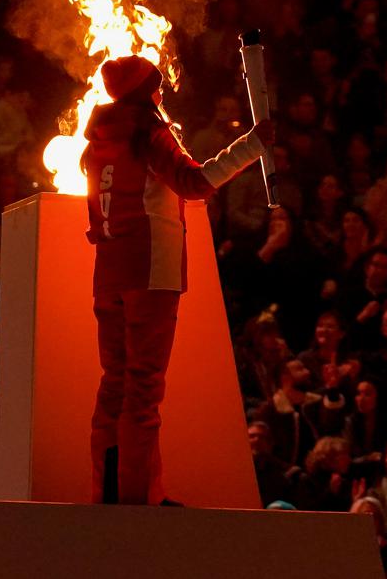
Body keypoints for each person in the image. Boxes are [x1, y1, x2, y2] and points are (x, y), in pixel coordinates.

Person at [82, 55, 273, 505]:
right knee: (143, 389)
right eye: (158, 83)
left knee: (115, 384)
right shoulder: (149, 132)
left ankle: (111, 494)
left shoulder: (93, 143)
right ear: (144, 90)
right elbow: (194, 182)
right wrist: (251, 146)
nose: (163, 90)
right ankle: (136, 502)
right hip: (152, 272)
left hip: (108, 274)